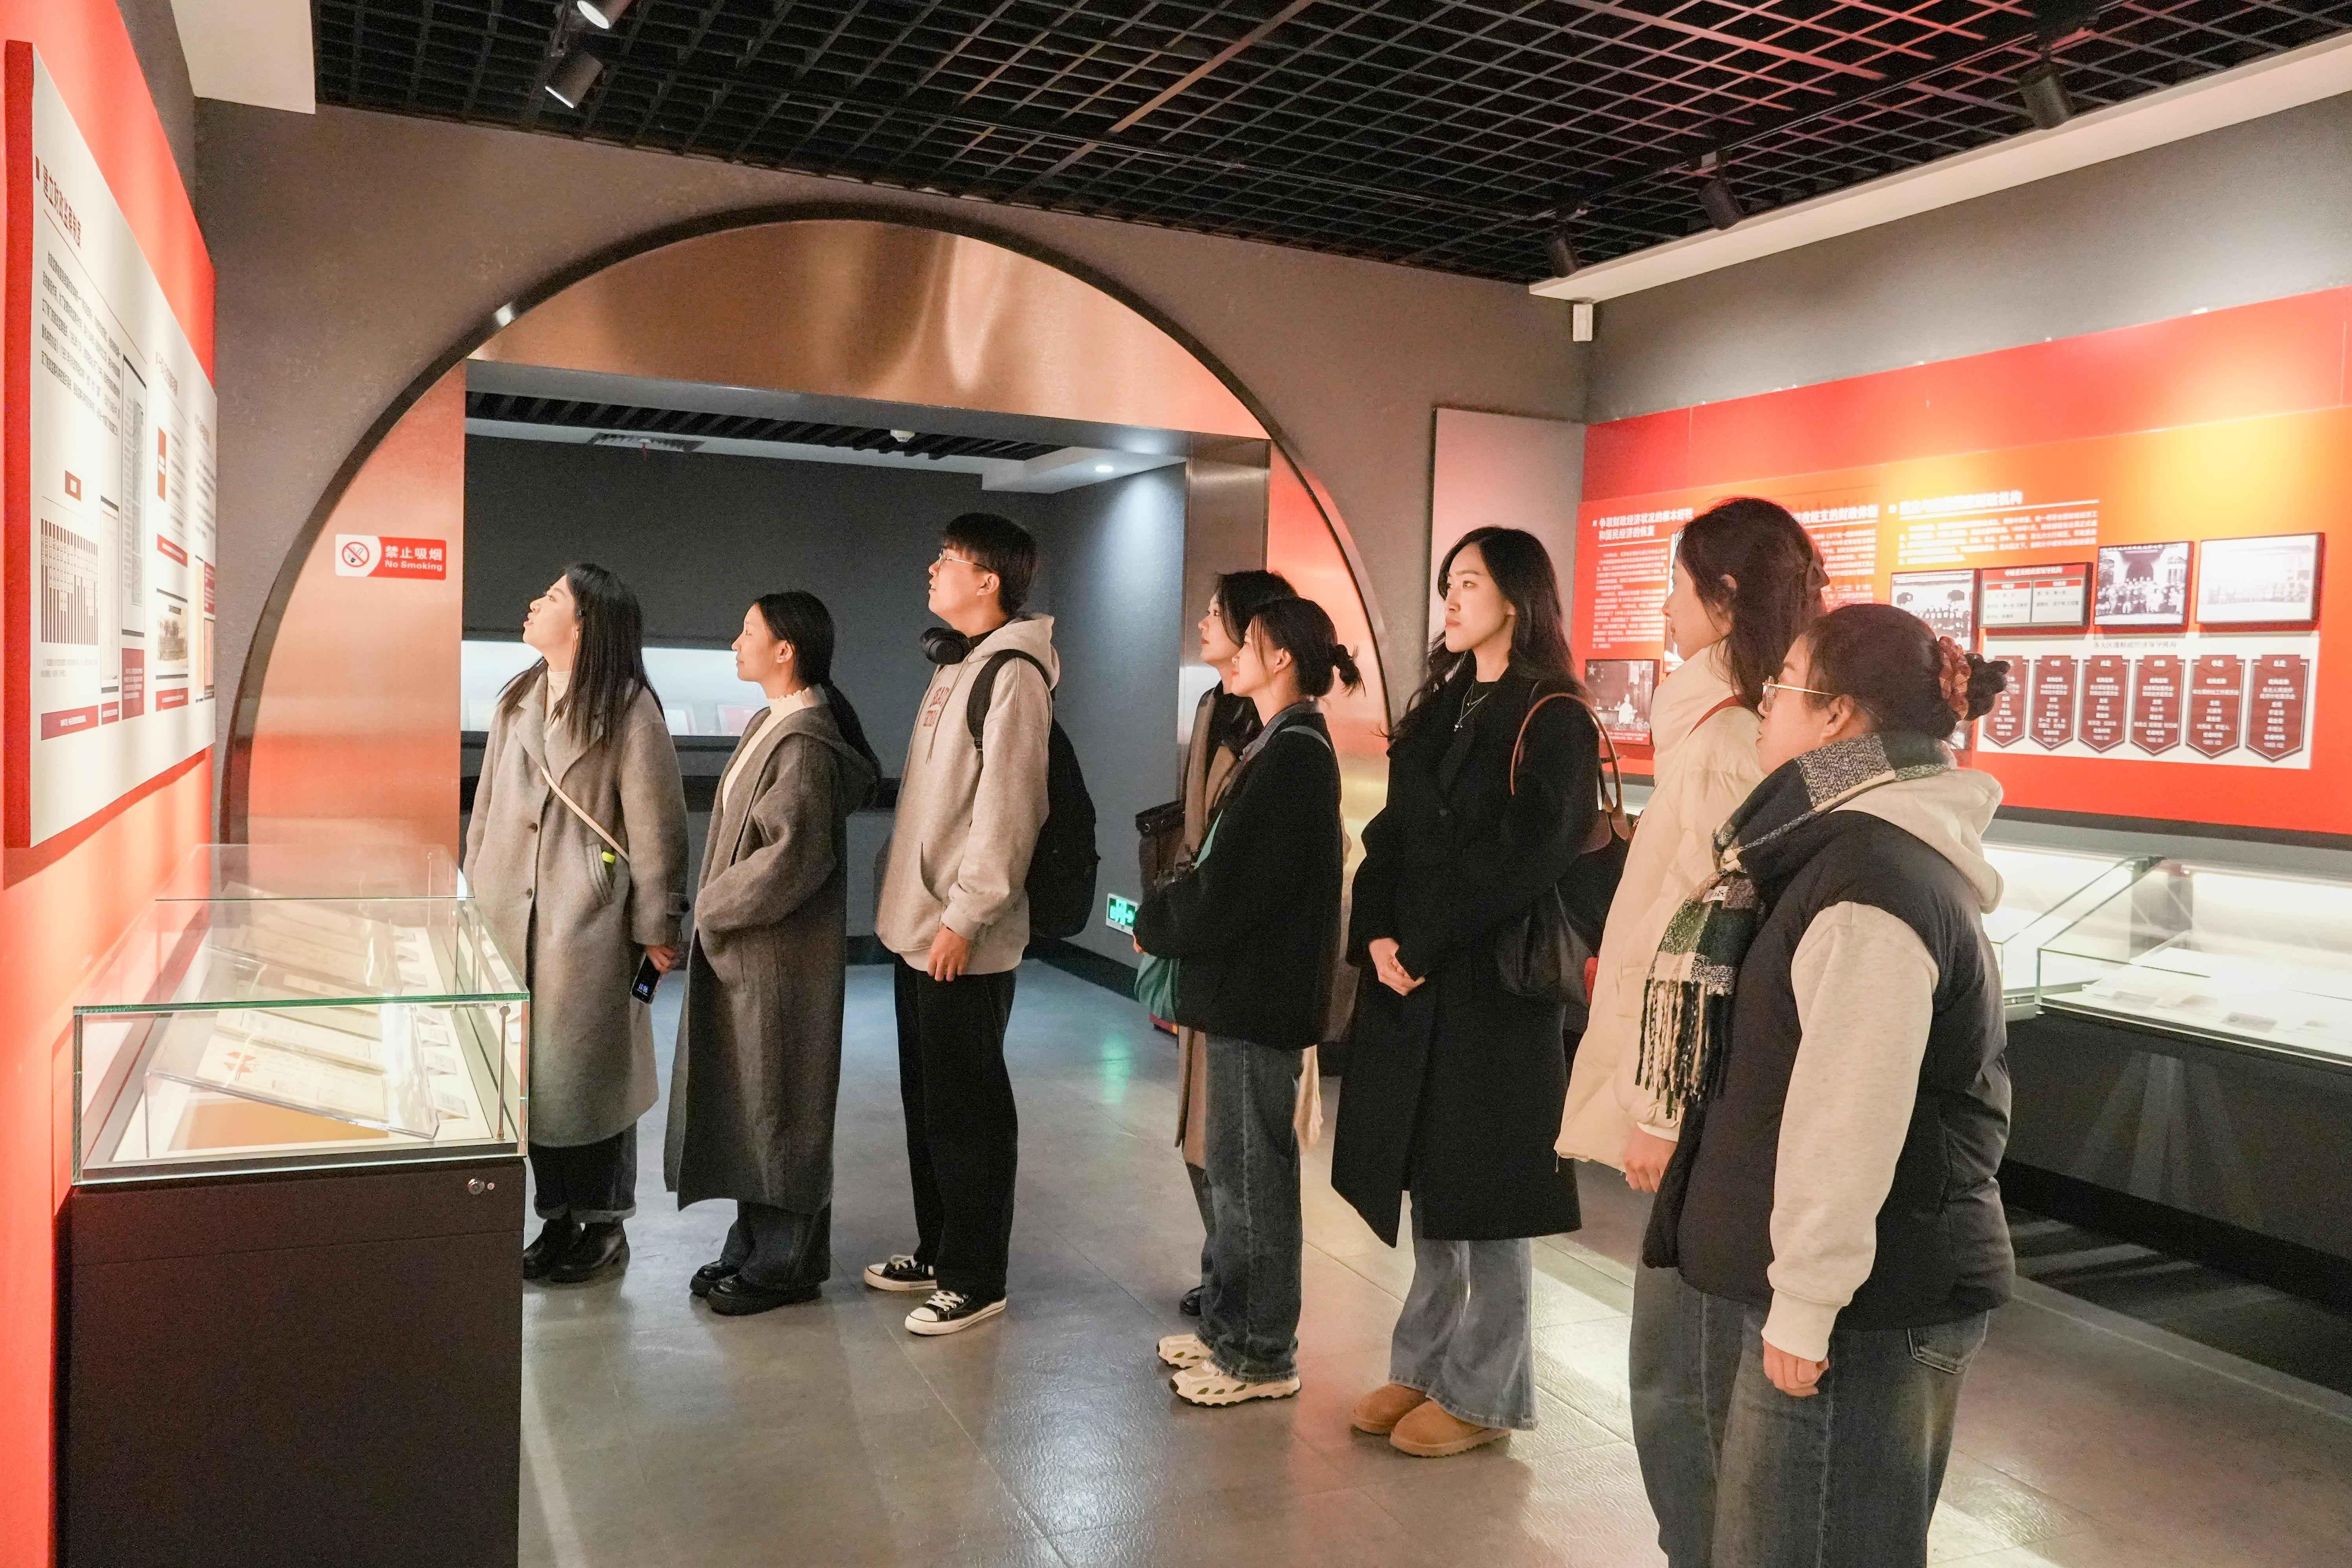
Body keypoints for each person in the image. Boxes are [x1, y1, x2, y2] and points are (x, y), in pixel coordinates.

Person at [1634, 604, 2014, 1568]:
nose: (1763, 708)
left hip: (1866, 1309)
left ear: (1836, 715)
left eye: (1780, 689)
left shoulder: (1869, 885)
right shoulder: (1823, 855)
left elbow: (1849, 1112)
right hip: (1835, 1292)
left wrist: (1805, 1301)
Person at [1551, 500, 1826, 1544]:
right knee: (1685, 1375)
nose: (1664, 609)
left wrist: (1660, 1105)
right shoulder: (1728, 722)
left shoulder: (1724, 737)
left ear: (1723, 597)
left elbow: (1710, 929)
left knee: (1681, 1383)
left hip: (1706, 1100)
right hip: (1716, 1093)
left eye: (1676, 586)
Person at [1332, 526, 1603, 1458]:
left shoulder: (1554, 715)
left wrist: (1423, 940)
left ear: (1516, 600)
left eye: (1469, 584)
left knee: (1488, 1195)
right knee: (1429, 1182)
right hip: (1415, 980)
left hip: (1494, 992)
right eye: (1447, 583)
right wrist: (1375, 934)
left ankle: (1484, 1396)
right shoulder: (1443, 704)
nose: (1449, 599)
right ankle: (1422, 1366)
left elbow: (1532, 856)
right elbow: (1388, 838)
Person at [1137, 596, 1354, 1407]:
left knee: (1252, 1180)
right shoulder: (1278, 743)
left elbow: (1234, 888)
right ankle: (1227, 1331)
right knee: (1233, 1175)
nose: (1230, 654)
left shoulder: (1295, 754)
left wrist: (1158, 923)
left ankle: (1261, 1353)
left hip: (1258, 998)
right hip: (1242, 994)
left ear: (1281, 658)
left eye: (1248, 642)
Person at [466, 563, 688, 1285]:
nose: (535, 603)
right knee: (531, 1079)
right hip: (510, 917)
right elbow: (486, 811)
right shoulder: (519, 697)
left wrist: (658, 928)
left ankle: (603, 1222)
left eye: (554, 597)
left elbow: (657, 829)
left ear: (586, 623)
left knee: (595, 1075)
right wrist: (474, 893)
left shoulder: (629, 710)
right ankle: (556, 1216)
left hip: (588, 925)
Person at [663, 591, 880, 1316]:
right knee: (754, 1100)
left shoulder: (804, 742)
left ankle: (788, 1261)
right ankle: (755, 1241)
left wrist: (713, 907)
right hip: (752, 952)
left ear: (785, 650)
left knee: (784, 1104)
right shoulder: (772, 723)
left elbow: (794, 857)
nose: (735, 642)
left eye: (747, 631)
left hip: (780, 958)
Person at [868, 512, 1056, 1336]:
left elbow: (1009, 811)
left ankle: (977, 1276)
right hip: (917, 925)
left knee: (969, 1110)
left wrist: (966, 917)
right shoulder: (959, 663)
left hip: (958, 935)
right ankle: (940, 1249)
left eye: (948, 559)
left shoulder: (1012, 672)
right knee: (928, 1102)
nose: (933, 570)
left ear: (988, 580)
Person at [1169, 568, 1296, 1319]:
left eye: (1218, 614)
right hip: (1202, 940)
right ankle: (1222, 1276)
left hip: (1240, 960)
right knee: (1201, 1127)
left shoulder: (1281, 734)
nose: (1205, 624)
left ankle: (1246, 1307)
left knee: (1237, 1138)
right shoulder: (1213, 704)